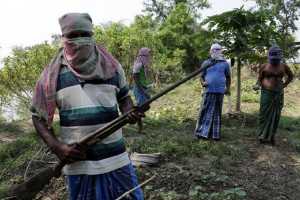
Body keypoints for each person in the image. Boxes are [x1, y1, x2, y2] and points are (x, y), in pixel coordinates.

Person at [31, 13, 144, 200]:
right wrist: (58, 147)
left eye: (84, 34)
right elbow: (38, 117)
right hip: (79, 165)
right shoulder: (52, 76)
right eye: (73, 35)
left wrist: (129, 112)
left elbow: (124, 97)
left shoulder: (112, 67)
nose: (79, 40)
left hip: (116, 158)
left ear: (92, 35)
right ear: (63, 38)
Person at [255, 46, 293, 145]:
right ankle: (261, 136)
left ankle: (272, 136)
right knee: (264, 115)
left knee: (276, 116)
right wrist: (257, 85)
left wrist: (284, 85)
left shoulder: (283, 66)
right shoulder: (264, 66)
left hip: (278, 94)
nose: (274, 60)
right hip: (266, 93)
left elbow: (291, 76)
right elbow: (259, 79)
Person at [194, 43, 231, 140]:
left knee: (217, 112)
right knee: (205, 110)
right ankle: (202, 133)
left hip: (220, 91)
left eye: (218, 50)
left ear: (221, 51)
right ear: (210, 51)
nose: (216, 52)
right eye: (214, 50)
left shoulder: (225, 64)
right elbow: (201, 76)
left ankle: (215, 134)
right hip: (209, 90)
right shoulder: (206, 63)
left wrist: (228, 88)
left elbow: (228, 77)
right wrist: (203, 83)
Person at [132, 48, 152, 134]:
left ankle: (137, 113)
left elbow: (142, 77)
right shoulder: (138, 64)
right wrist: (143, 91)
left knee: (144, 106)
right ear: (143, 55)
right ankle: (136, 114)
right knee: (144, 106)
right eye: (148, 54)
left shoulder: (142, 64)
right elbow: (135, 78)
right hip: (139, 88)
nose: (149, 56)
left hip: (143, 87)